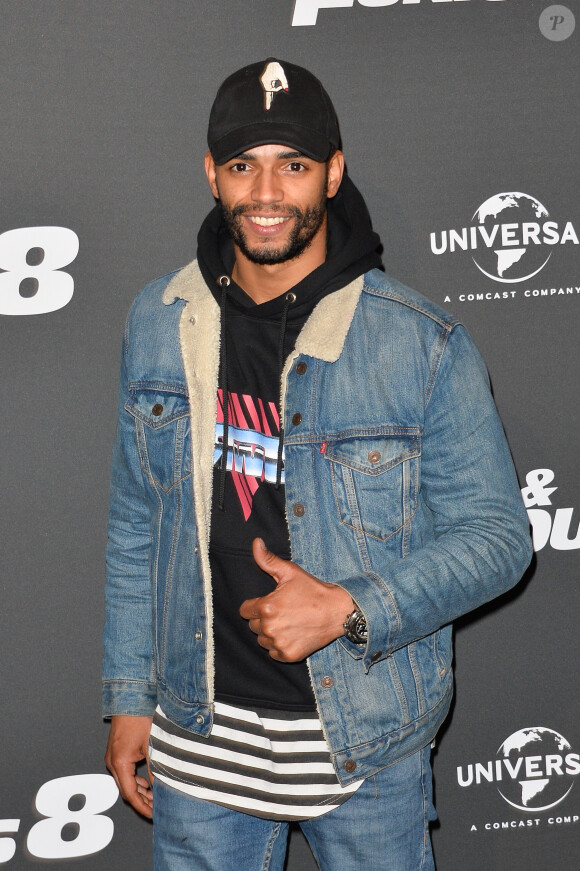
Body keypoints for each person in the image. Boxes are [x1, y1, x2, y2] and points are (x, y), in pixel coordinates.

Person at [103, 58, 532, 871]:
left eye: (293, 164)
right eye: (243, 165)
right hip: (200, 742)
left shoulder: (419, 341)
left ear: (333, 173)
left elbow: (499, 536)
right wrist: (129, 699)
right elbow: (137, 523)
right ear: (212, 175)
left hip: (366, 742)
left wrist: (348, 608)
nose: (266, 192)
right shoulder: (159, 320)